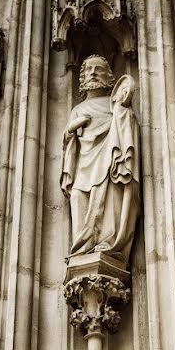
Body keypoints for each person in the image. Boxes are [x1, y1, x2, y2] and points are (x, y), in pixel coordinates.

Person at [61, 54, 140, 261]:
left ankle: (108, 241)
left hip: (108, 161)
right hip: (83, 165)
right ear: (82, 78)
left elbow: (127, 128)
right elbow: (68, 143)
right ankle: (81, 248)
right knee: (78, 196)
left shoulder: (114, 105)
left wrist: (122, 113)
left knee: (109, 196)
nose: (93, 73)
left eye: (98, 69)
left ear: (109, 77)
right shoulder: (78, 109)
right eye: (88, 70)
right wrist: (72, 128)